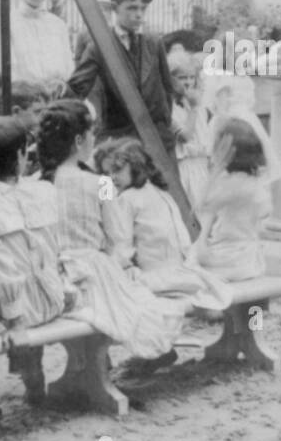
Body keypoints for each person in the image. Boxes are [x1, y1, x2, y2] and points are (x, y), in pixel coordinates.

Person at [34, 103, 182, 367]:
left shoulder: (37, 183)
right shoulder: (99, 183)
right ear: (79, 140)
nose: (94, 139)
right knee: (143, 305)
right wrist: (120, 267)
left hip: (52, 276)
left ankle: (91, 364)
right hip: (92, 273)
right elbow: (117, 239)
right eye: (92, 133)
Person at [0, 117, 71, 424]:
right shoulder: (45, 190)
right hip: (54, 299)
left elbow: (0, 272)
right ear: (21, 155)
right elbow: (54, 250)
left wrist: (17, 322)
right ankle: (34, 381)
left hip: (20, 313)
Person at [96, 137, 233, 314]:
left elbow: (122, 249)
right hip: (182, 273)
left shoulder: (126, 199)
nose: (111, 177)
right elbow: (184, 242)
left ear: (136, 166)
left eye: (117, 170)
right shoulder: (161, 193)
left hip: (154, 277)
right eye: (108, 173)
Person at [68, 0, 175, 154]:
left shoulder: (154, 42)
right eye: (132, 8)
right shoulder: (99, 46)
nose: (139, 14)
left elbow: (167, 88)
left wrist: (165, 128)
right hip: (117, 142)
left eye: (143, 8)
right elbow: (75, 89)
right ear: (115, 9)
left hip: (156, 141)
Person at [192, 119, 271, 282]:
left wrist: (217, 167)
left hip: (229, 257)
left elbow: (199, 206)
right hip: (247, 255)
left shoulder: (233, 184)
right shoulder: (253, 181)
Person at [169, 54, 211, 209]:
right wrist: (193, 108)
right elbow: (185, 136)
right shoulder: (170, 107)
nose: (188, 82)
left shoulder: (199, 103)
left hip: (202, 163)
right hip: (185, 166)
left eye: (191, 77)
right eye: (182, 78)